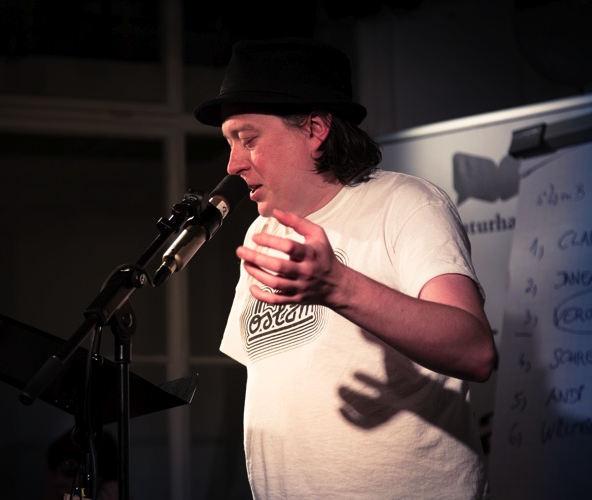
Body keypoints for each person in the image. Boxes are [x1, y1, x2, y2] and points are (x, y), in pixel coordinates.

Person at [193, 38, 496, 499]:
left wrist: (338, 286)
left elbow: (475, 351)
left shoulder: (406, 204)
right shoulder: (262, 234)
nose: (233, 165)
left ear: (315, 128)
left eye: (248, 140)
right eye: (229, 143)